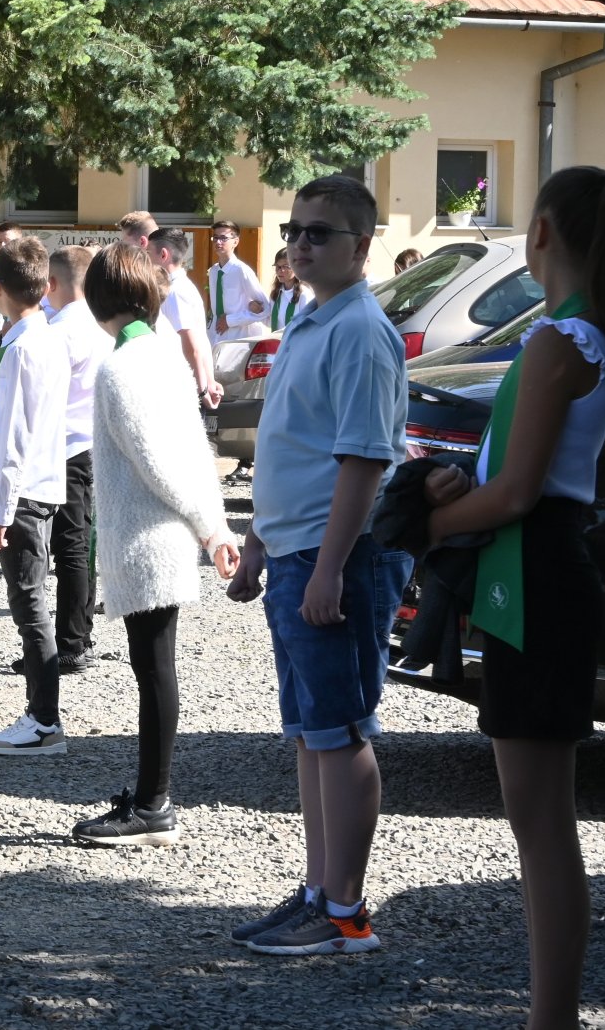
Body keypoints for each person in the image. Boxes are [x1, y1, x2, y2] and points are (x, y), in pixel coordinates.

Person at [423, 166, 605, 1030]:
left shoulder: (560, 341)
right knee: (542, 822)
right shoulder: (585, 335)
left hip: (536, 574)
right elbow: (513, 479)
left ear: (543, 234)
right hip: (544, 571)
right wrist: (457, 492)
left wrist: (423, 524)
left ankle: (552, 1018)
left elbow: (518, 492)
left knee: (543, 825)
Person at [226, 175, 413, 956]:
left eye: (319, 232)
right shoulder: (309, 317)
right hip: (297, 551)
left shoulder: (360, 330)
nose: (300, 244)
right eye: (295, 230)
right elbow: (289, 447)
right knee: (311, 732)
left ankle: (346, 911)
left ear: (362, 246)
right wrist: (259, 543)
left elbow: (364, 459)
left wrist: (331, 567)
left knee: (341, 730)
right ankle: (317, 890)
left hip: (337, 557)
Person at [70, 243, 240, 841]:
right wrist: (213, 524)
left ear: (96, 302)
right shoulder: (164, 355)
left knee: (154, 670)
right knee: (155, 667)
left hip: (146, 538)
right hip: (167, 534)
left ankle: (153, 804)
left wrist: (210, 527)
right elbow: (194, 450)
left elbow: (157, 461)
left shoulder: (122, 367)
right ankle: (151, 798)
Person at [0, 238, 73, 756]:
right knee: (32, 602)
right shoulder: (45, 337)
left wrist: (1, 511)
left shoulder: (21, 349)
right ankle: (41, 715)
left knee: (29, 605)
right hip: (40, 485)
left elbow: (14, 437)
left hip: (24, 493)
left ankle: (43, 720)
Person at [42, 245, 113, 674]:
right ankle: (80, 634)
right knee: (84, 542)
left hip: (67, 446)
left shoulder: (58, 331)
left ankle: (70, 643)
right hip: (94, 444)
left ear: (51, 284)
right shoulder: (103, 326)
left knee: (70, 546)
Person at [147, 227, 220, 410]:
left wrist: (202, 389)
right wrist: (209, 381)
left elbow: (190, 346)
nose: (146, 260)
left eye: (148, 253)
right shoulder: (183, 286)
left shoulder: (174, 292)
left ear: (163, 254)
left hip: (181, 386)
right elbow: (201, 340)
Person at [206, 220, 268, 346]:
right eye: (215, 238)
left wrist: (230, 321)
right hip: (216, 336)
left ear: (235, 242)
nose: (218, 242)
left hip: (239, 338)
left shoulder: (241, 270)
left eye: (223, 238)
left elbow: (265, 308)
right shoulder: (214, 271)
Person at [265, 247, 311, 330]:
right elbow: (271, 322)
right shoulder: (275, 293)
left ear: (296, 267)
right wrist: (258, 310)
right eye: (278, 267)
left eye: (286, 266)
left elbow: (308, 326)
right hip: (278, 338)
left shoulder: (304, 294)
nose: (281, 270)